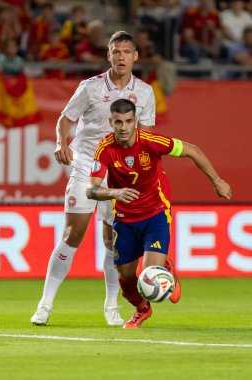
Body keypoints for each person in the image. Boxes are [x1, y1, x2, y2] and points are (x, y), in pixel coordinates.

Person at [30, 30, 158, 327]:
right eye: (116, 51)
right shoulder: (90, 88)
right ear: (109, 55)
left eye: (127, 51)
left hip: (121, 171)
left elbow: (147, 138)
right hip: (87, 165)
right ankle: (45, 304)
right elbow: (65, 119)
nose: (121, 57)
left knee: (113, 242)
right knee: (72, 235)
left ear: (136, 56)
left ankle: (111, 307)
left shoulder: (145, 92)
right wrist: (62, 143)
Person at [86, 99, 231, 329]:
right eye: (118, 122)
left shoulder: (151, 142)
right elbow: (91, 189)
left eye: (129, 121)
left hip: (155, 212)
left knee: (150, 276)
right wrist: (116, 192)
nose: (124, 127)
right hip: (124, 219)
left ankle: (164, 268)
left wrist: (217, 180)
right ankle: (142, 309)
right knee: (126, 280)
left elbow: (192, 150)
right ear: (110, 122)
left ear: (136, 122)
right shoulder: (105, 148)